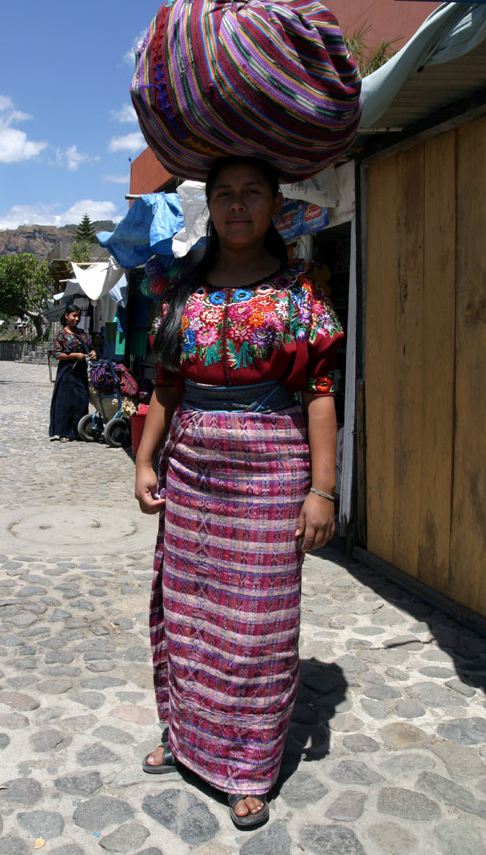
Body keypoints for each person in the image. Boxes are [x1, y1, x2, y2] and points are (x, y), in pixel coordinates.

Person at [134, 156, 343, 828]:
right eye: (224, 194)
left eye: (251, 193)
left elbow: (318, 394)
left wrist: (324, 490)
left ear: (275, 204)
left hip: (272, 468)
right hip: (192, 469)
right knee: (191, 612)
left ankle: (248, 766)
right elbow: (165, 386)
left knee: (258, 623)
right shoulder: (181, 290)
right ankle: (187, 739)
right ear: (211, 207)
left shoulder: (298, 290)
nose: (236, 205)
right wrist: (145, 460)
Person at [48, 305, 96, 442]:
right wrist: (74, 355)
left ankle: (79, 430)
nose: (76, 319)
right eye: (74, 316)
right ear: (66, 316)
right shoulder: (60, 335)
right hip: (67, 372)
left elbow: (92, 349)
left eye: (78, 316)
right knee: (65, 403)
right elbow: (57, 354)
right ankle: (64, 432)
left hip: (80, 372)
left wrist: (93, 353)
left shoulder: (83, 334)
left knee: (81, 400)